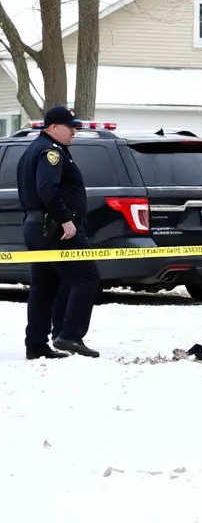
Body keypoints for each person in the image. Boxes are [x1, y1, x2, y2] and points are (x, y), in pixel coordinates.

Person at [19, 105, 101, 359]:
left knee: (44, 287)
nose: (75, 132)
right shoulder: (51, 152)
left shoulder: (33, 149)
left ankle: (36, 345)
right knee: (87, 277)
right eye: (71, 127)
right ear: (53, 127)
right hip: (56, 229)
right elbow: (47, 187)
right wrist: (65, 219)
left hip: (38, 226)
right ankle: (70, 335)